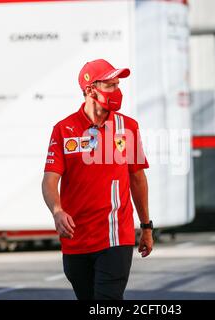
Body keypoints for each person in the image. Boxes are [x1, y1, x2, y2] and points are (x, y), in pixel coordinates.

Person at [42, 59, 153, 300]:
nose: (118, 91)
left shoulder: (128, 127)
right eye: (111, 85)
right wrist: (57, 210)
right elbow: (49, 180)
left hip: (115, 237)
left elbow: (137, 179)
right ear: (91, 89)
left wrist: (146, 226)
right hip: (76, 240)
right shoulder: (64, 129)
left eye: (118, 85)